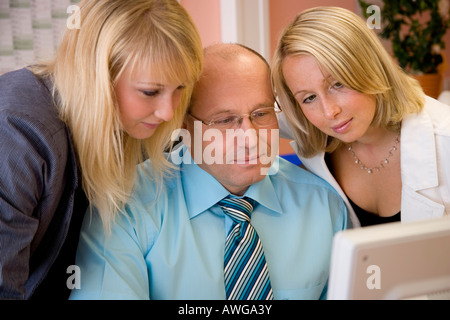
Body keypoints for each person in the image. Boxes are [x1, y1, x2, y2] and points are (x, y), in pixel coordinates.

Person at [69, 43, 347, 300]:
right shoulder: (126, 206)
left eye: (262, 114)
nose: (251, 138)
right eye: (225, 121)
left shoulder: (324, 204)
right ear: (185, 126)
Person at [0, 0, 203, 299]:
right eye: (150, 91)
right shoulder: (17, 132)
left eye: (180, 89)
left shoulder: (134, 124)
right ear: (96, 75)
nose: (166, 112)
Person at [271, 6, 450, 228]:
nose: (329, 112)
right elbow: (247, 116)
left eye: (338, 84)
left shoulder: (444, 139)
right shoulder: (308, 125)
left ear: (371, 67)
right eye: (309, 98)